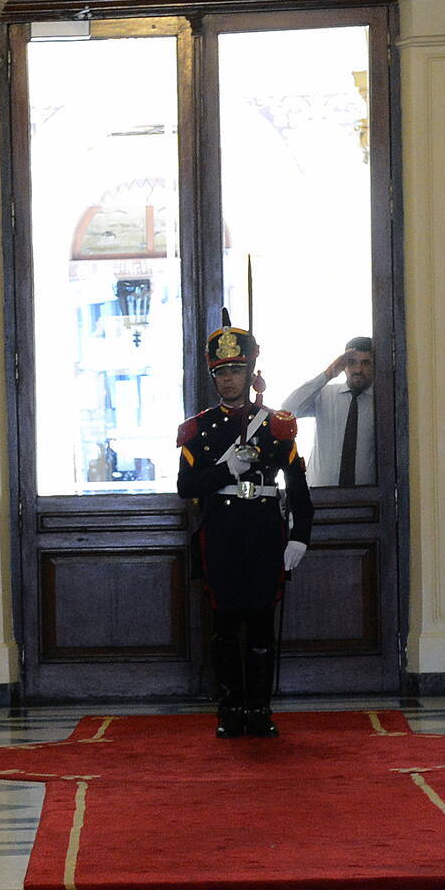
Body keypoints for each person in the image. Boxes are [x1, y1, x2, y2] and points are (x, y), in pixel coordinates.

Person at [179, 316, 312, 737]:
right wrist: (225, 469)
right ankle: (229, 709)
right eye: (221, 373)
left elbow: (298, 485)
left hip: (262, 533)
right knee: (223, 627)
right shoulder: (198, 430)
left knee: (259, 624)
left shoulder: (276, 425)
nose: (229, 380)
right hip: (220, 534)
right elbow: (186, 486)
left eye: (236, 371)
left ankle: (259, 709)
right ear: (213, 376)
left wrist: (299, 536)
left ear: (251, 373)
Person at [283, 335, 376, 488]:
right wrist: (327, 374)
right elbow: (287, 409)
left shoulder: (383, 402)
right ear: (344, 365)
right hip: (320, 495)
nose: (358, 370)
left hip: (368, 497)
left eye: (366, 363)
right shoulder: (325, 394)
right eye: (352, 363)